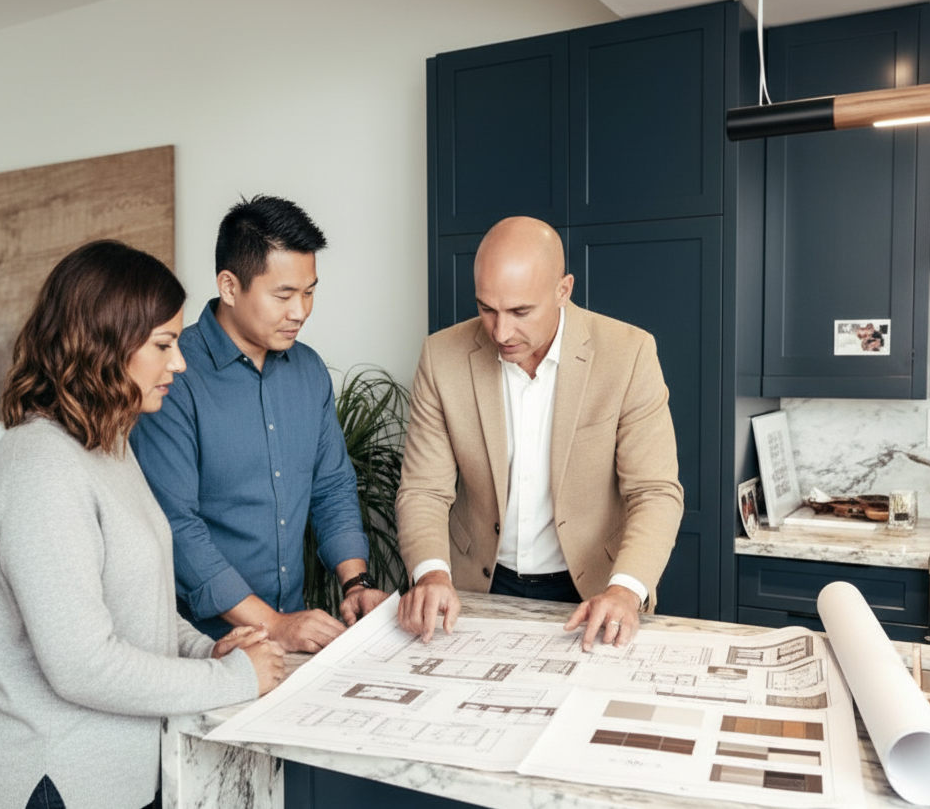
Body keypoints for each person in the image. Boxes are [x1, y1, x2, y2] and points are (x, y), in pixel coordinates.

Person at [0, 241, 285, 809]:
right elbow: (82, 666)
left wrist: (207, 651)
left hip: (114, 781)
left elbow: (138, 607)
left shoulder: (110, 446)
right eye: (163, 344)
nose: (179, 364)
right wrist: (233, 679)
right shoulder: (40, 467)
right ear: (102, 345)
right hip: (50, 785)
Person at [395, 216, 683, 651]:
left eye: (520, 312)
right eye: (486, 309)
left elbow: (655, 491)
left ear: (563, 290)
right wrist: (432, 573)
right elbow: (423, 489)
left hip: (595, 590)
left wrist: (625, 591)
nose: (500, 332)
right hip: (473, 587)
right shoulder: (441, 357)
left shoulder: (629, 354)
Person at [131, 195, 388, 654]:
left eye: (309, 291)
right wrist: (273, 624)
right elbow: (176, 526)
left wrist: (356, 582)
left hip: (291, 640)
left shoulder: (309, 371)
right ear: (230, 287)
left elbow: (331, 487)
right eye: (284, 295)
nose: (301, 311)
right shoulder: (171, 375)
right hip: (200, 647)